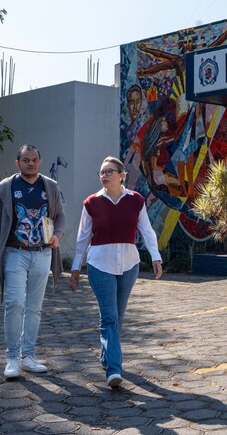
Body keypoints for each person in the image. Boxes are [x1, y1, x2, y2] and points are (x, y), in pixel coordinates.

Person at [69, 156, 163, 388]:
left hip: (129, 266)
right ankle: (114, 369)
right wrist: (74, 268)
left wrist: (155, 256)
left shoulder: (136, 201)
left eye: (109, 171)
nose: (104, 175)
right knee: (109, 317)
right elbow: (82, 239)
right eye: (101, 172)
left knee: (118, 317)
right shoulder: (91, 203)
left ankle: (106, 356)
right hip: (99, 266)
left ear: (122, 175)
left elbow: (147, 231)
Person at [0, 144, 65, 378]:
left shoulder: (50, 187)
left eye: (34, 159)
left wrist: (58, 236)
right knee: (15, 303)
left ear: (40, 162)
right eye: (26, 160)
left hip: (42, 252)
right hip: (14, 252)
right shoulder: (6, 189)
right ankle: (12, 357)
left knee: (34, 307)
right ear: (18, 163)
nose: (30, 163)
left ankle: (28, 356)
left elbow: (60, 216)